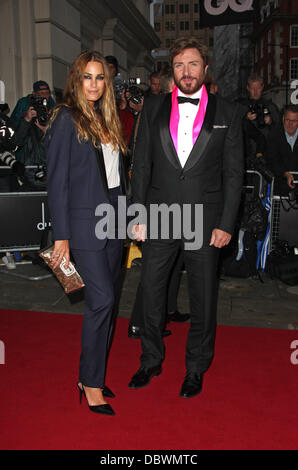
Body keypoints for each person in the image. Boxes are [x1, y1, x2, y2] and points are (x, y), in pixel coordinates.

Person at [128, 37, 244, 398]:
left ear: (205, 70)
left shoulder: (227, 112)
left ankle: (195, 367)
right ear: (171, 71)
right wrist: (136, 214)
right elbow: (141, 165)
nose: (186, 72)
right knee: (151, 290)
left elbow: (234, 174)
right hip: (160, 214)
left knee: (203, 297)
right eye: (179, 65)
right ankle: (150, 359)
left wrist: (226, 223)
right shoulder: (152, 107)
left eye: (193, 64)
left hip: (206, 220)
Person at [45, 50, 130, 415]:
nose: (94, 84)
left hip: (113, 217)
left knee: (108, 305)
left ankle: (91, 373)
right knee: (103, 301)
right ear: (76, 80)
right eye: (87, 77)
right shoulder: (66, 119)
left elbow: (118, 179)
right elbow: (57, 181)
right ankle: (90, 382)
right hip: (83, 224)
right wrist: (60, 234)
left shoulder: (107, 117)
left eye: (100, 78)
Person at [266, 104, 298, 196]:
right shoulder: (274, 135)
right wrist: (285, 173)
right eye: (287, 120)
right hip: (279, 186)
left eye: (294, 121)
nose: (290, 124)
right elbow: (272, 160)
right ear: (283, 118)